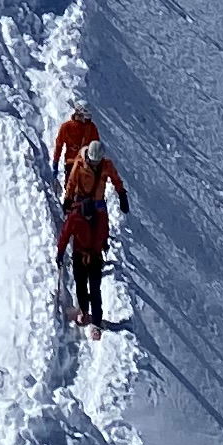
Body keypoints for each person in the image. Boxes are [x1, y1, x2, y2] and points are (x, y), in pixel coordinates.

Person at [52, 108, 129, 334]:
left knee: (99, 227)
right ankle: (86, 312)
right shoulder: (79, 162)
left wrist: (121, 193)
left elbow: (115, 179)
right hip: (82, 199)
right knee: (83, 228)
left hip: (96, 202)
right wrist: (68, 199)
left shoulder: (104, 164)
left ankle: (99, 248)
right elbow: (73, 181)